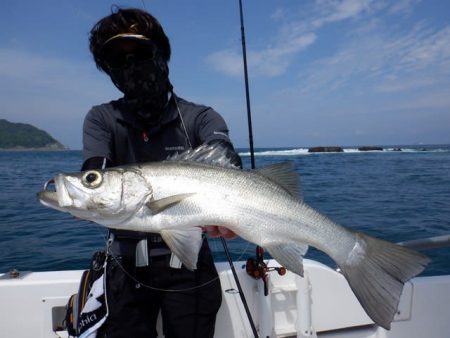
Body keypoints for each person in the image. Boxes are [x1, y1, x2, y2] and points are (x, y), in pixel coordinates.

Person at [82, 7, 242, 338]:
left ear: (161, 54)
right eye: (117, 59)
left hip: (190, 265)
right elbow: (94, 169)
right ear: (108, 71)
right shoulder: (102, 118)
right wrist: (86, 193)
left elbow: (224, 157)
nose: (131, 66)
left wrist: (231, 211)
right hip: (124, 265)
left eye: (140, 52)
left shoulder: (200, 117)